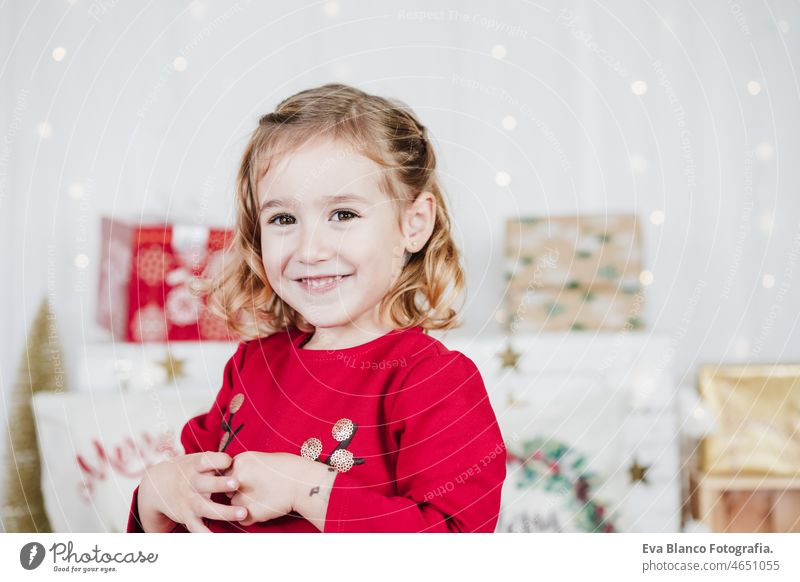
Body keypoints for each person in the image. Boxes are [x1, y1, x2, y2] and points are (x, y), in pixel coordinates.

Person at [126, 83, 506, 533]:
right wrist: (154, 495)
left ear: (413, 224)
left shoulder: (434, 382)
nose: (310, 249)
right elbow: (189, 524)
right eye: (283, 219)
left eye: (343, 214)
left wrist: (307, 488)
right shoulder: (252, 366)